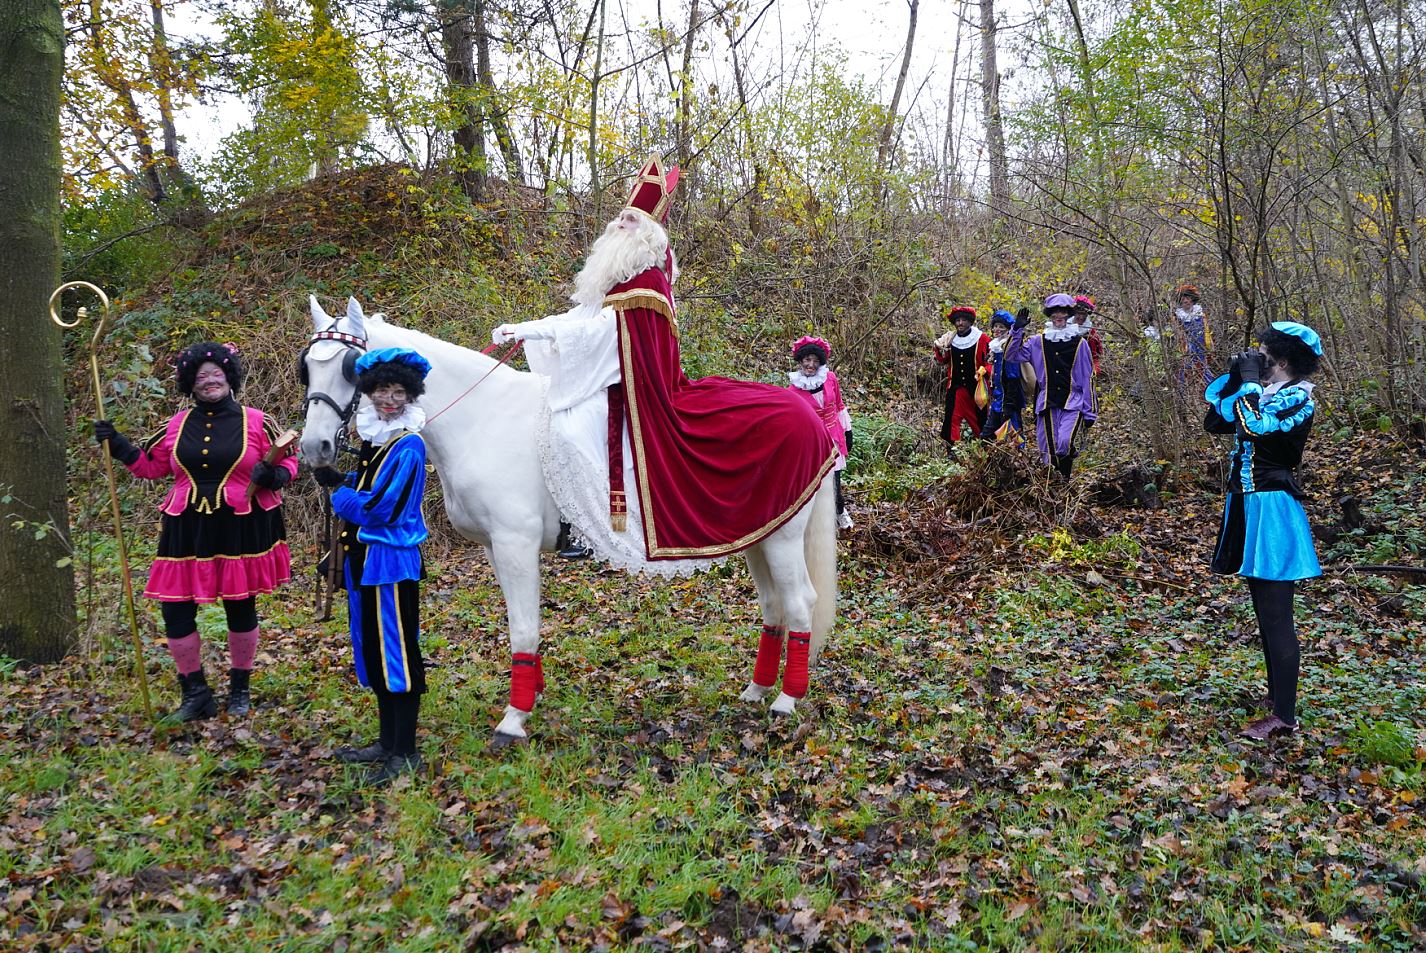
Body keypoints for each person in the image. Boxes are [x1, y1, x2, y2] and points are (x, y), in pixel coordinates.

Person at [489, 155, 836, 712]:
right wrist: (529, 327)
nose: (617, 227)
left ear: (645, 237)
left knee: (576, 427)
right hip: (626, 390)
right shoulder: (620, 281)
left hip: (653, 396)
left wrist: (534, 331)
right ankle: (583, 523)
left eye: (628, 222)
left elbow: (599, 337)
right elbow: (582, 322)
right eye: (618, 221)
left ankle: (790, 687)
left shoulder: (646, 281)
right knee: (569, 423)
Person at [93, 342, 296, 721]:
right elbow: (151, 467)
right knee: (175, 609)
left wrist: (278, 475)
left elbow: (290, 458)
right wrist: (118, 444)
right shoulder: (174, 425)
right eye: (200, 377)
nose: (209, 381)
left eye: (216, 374)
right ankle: (195, 692)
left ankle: (239, 689)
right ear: (190, 383)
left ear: (229, 377)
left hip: (240, 525)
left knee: (240, 605)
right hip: (186, 527)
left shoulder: (257, 420)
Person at [312, 348, 432, 784]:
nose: (389, 399)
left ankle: (405, 752)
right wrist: (342, 480)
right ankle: (385, 742)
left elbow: (383, 508)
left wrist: (338, 495)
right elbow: (368, 485)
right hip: (366, 558)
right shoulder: (376, 439)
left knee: (398, 653)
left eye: (399, 392)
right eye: (383, 390)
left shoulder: (409, 445)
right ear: (370, 391)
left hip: (392, 562)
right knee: (376, 652)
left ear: (409, 395)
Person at [1203, 322, 1323, 740]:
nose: (1258, 358)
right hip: (1250, 507)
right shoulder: (1265, 394)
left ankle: (1285, 718)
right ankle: (1277, 700)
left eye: (1264, 354)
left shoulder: (1297, 399)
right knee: (1263, 612)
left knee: (1277, 617)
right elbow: (1214, 422)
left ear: (1284, 361)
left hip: (1274, 511)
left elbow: (1256, 428)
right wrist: (1239, 379)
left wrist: (1253, 383)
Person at [1006, 294, 1098, 478]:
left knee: (1064, 442)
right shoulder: (1036, 342)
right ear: (1050, 315)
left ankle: (1064, 478)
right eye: (1055, 312)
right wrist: (1017, 330)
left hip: (1073, 402)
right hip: (1047, 403)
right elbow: (1011, 355)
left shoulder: (1080, 344)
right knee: (1048, 450)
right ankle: (1057, 488)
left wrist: (1090, 412)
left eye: (1063, 312)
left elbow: (1088, 378)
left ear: (1068, 315)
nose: (1059, 316)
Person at [787, 336, 854, 529]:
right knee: (815, 482)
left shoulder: (830, 378)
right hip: (812, 442)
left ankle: (840, 511)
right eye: (807, 360)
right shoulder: (793, 390)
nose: (811, 365)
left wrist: (848, 432)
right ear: (800, 361)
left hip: (834, 438)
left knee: (835, 480)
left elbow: (839, 406)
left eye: (815, 361)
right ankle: (817, 519)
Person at [933, 306, 989, 450]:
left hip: (976, 388)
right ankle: (950, 449)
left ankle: (985, 447)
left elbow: (990, 361)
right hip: (956, 387)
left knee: (979, 418)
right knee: (952, 417)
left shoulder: (981, 338)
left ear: (970, 322)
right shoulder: (950, 339)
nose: (960, 323)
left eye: (963, 320)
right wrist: (940, 347)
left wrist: (984, 372)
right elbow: (942, 359)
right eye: (957, 320)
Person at [979, 310, 1025, 441]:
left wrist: (1010, 403)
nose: (997, 329)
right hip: (998, 400)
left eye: (1001, 327)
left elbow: (1013, 376)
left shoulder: (1008, 349)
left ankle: (1020, 459)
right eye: (995, 326)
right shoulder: (995, 348)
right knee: (987, 435)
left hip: (1008, 400)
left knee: (1014, 435)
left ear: (1007, 329)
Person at [1174, 284, 1213, 385]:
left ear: (1192, 299)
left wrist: (1209, 344)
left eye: (1188, 298)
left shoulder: (1199, 313)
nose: (1186, 301)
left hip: (1201, 346)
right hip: (1187, 349)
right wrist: (1183, 349)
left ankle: (1210, 386)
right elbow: (1178, 335)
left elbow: (1206, 330)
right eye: (1183, 299)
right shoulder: (1178, 317)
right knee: (1185, 370)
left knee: (1204, 368)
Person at [1072, 295, 1104, 376]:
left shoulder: (1090, 332)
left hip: (1084, 366)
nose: (1081, 317)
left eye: (1084, 315)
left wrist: (1094, 371)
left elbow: (1094, 357)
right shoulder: (1064, 328)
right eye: (1079, 314)